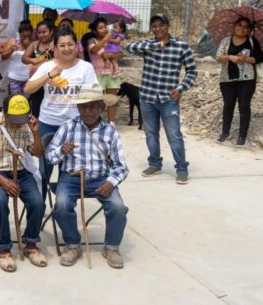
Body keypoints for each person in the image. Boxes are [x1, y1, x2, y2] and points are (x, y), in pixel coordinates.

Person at [45, 84, 129, 269]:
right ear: (77, 108)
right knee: (61, 205)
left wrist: (111, 181)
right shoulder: (68, 127)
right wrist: (61, 150)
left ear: (102, 107)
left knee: (118, 207)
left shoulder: (110, 132)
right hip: (71, 177)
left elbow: (121, 166)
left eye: (93, 106)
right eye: (83, 106)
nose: (88, 111)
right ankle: (73, 245)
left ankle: (112, 247)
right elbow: (49, 156)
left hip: (101, 179)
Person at [0, 94, 46, 272]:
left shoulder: (26, 124)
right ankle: (3, 248)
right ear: (5, 114)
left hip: (21, 172)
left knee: (38, 202)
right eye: (15, 119)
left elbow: (37, 153)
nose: (18, 123)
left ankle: (31, 243)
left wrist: (36, 133)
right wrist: (4, 182)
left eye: (22, 119)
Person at [24, 28, 98, 196]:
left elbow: (93, 97)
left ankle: (63, 206)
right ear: (55, 47)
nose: (66, 49)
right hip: (48, 124)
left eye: (70, 44)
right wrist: (49, 75)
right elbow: (28, 88)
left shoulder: (85, 68)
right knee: (44, 170)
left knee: (69, 170)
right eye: (62, 45)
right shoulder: (47, 66)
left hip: (74, 127)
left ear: (76, 45)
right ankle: (40, 204)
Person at [126, 14, 197, 185]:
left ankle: (181, 169)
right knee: (151, 133)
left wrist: (181, 89)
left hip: (168, 99)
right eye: (154, 26)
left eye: (161, 25)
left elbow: (192, 71)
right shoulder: (148, 45)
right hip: (148, 97)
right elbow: (129, 48)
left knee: (174, 134)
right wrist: (157, 46)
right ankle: (155, 164)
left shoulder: (181, 47)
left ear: (168, 26)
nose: (157, 29)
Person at [215, 17, 263, 147]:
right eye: (239, 25)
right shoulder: (226, 41)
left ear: (249, 30)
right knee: (228, 105)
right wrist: (230, 57)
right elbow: (218, 57)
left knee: (244, 106)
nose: (242, 28)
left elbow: (259, 58)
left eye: (246, 27)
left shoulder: (252, 42)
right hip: (227, 79)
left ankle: (242, 136)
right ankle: (225, 133)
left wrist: (245, 59)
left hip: (247, 80)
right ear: (234, 26)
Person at [86, 18, 123, 125]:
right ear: (94, 31)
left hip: (112, 73)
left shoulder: (111, 41)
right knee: (98, 100)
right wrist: (105, 40)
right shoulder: (92, 41)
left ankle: (111, 123)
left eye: (105, 27)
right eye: (100, 28)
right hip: (98, 74)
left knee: (112, 100)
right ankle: (97, 122)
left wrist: (110, 54)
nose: (104, 29)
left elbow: (120, 54)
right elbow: (94, 50)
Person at [22, 20, 55, 118]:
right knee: (36, 108)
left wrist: (41, 64)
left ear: (51, 31)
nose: (41, 35)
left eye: (44, 32)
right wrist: (33, 60)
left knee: (49, 107)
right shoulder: (34, 44)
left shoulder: (55, 44)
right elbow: (24, 58)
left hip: (51, 81)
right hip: (36, 81)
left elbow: (59, 59)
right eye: (39, 32)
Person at [1, 20, 34, 97]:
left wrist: (30, 48)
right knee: (16, 102)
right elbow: (3, 57)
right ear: (20, 35)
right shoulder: (13, 42)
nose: (27, 38)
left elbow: (37, 60)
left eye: (29, 36)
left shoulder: (34, 43)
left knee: (26, 103)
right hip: (14, 78)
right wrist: (11, 50)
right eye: (24, 36)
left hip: (28, 79)